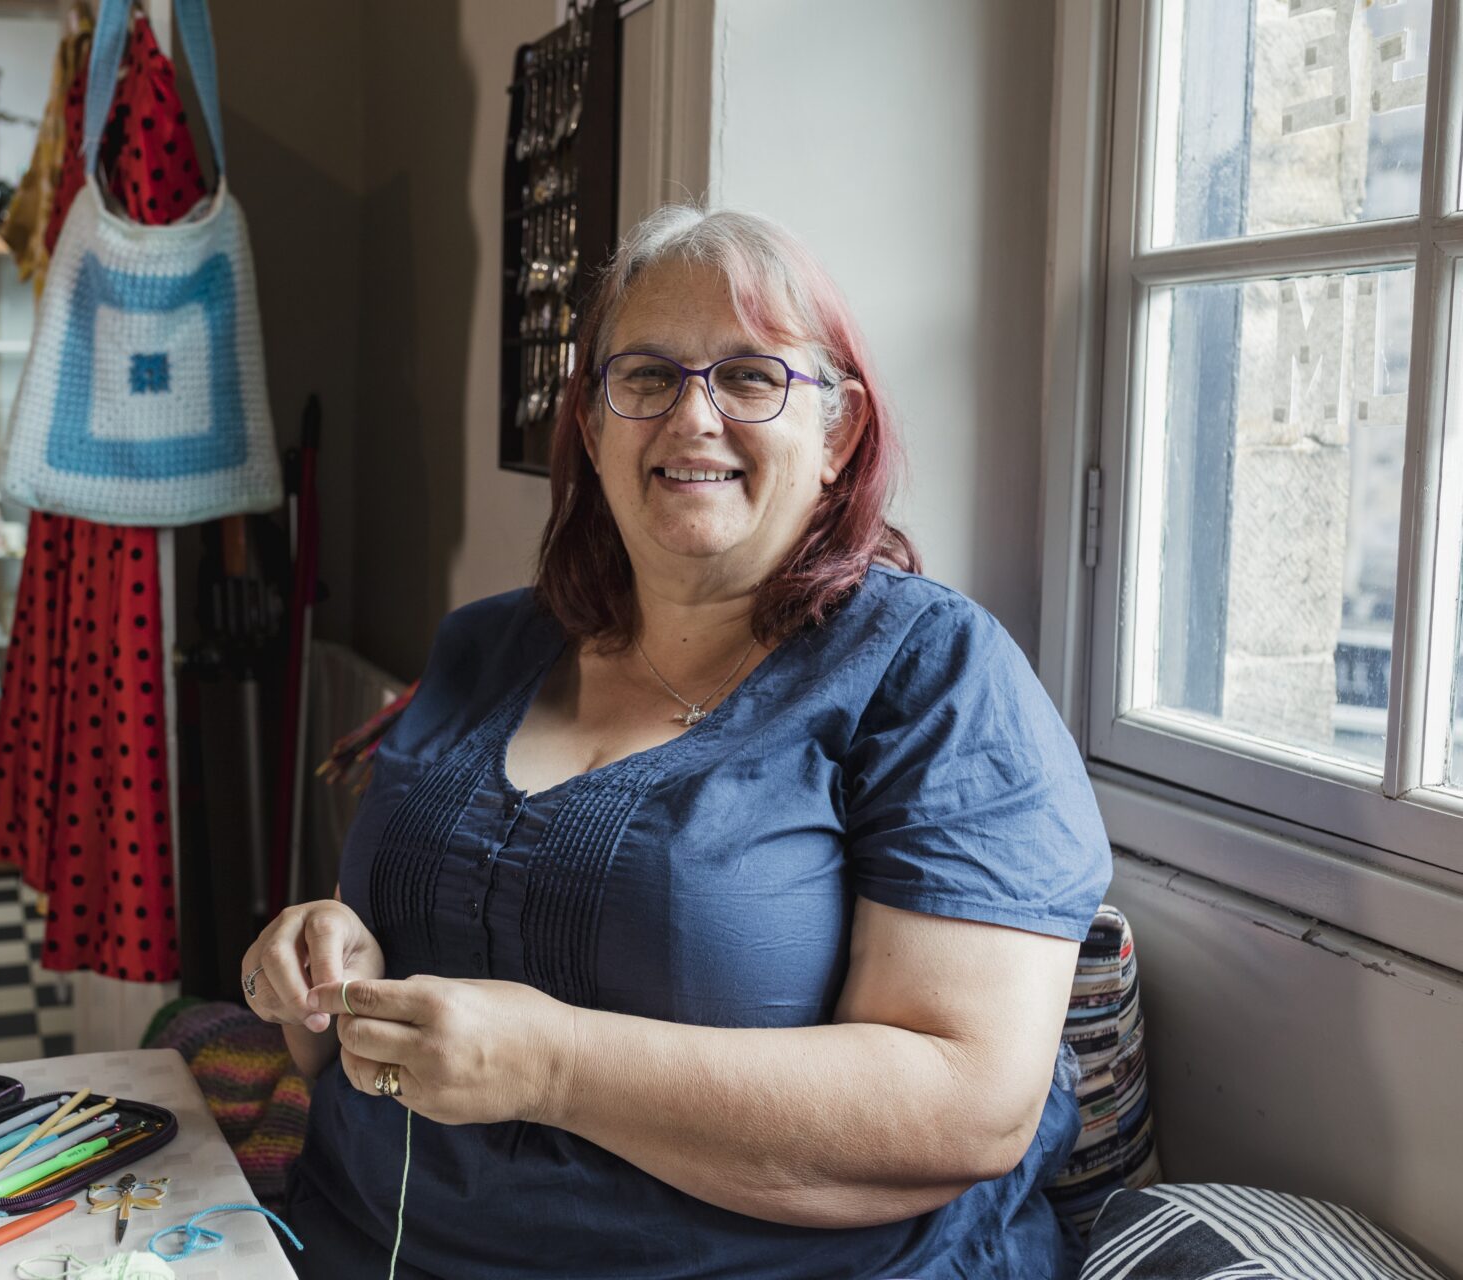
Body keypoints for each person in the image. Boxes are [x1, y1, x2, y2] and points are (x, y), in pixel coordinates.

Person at [241, 205, 1112, 1278]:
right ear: (595, 426)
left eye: (751, 376)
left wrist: (553, 1065)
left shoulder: (933, 671)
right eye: (646, 376)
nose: (692, 416)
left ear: (838, 435)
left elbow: (969, 1107)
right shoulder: (485, 645)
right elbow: (344, 1033)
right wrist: (323, 972)